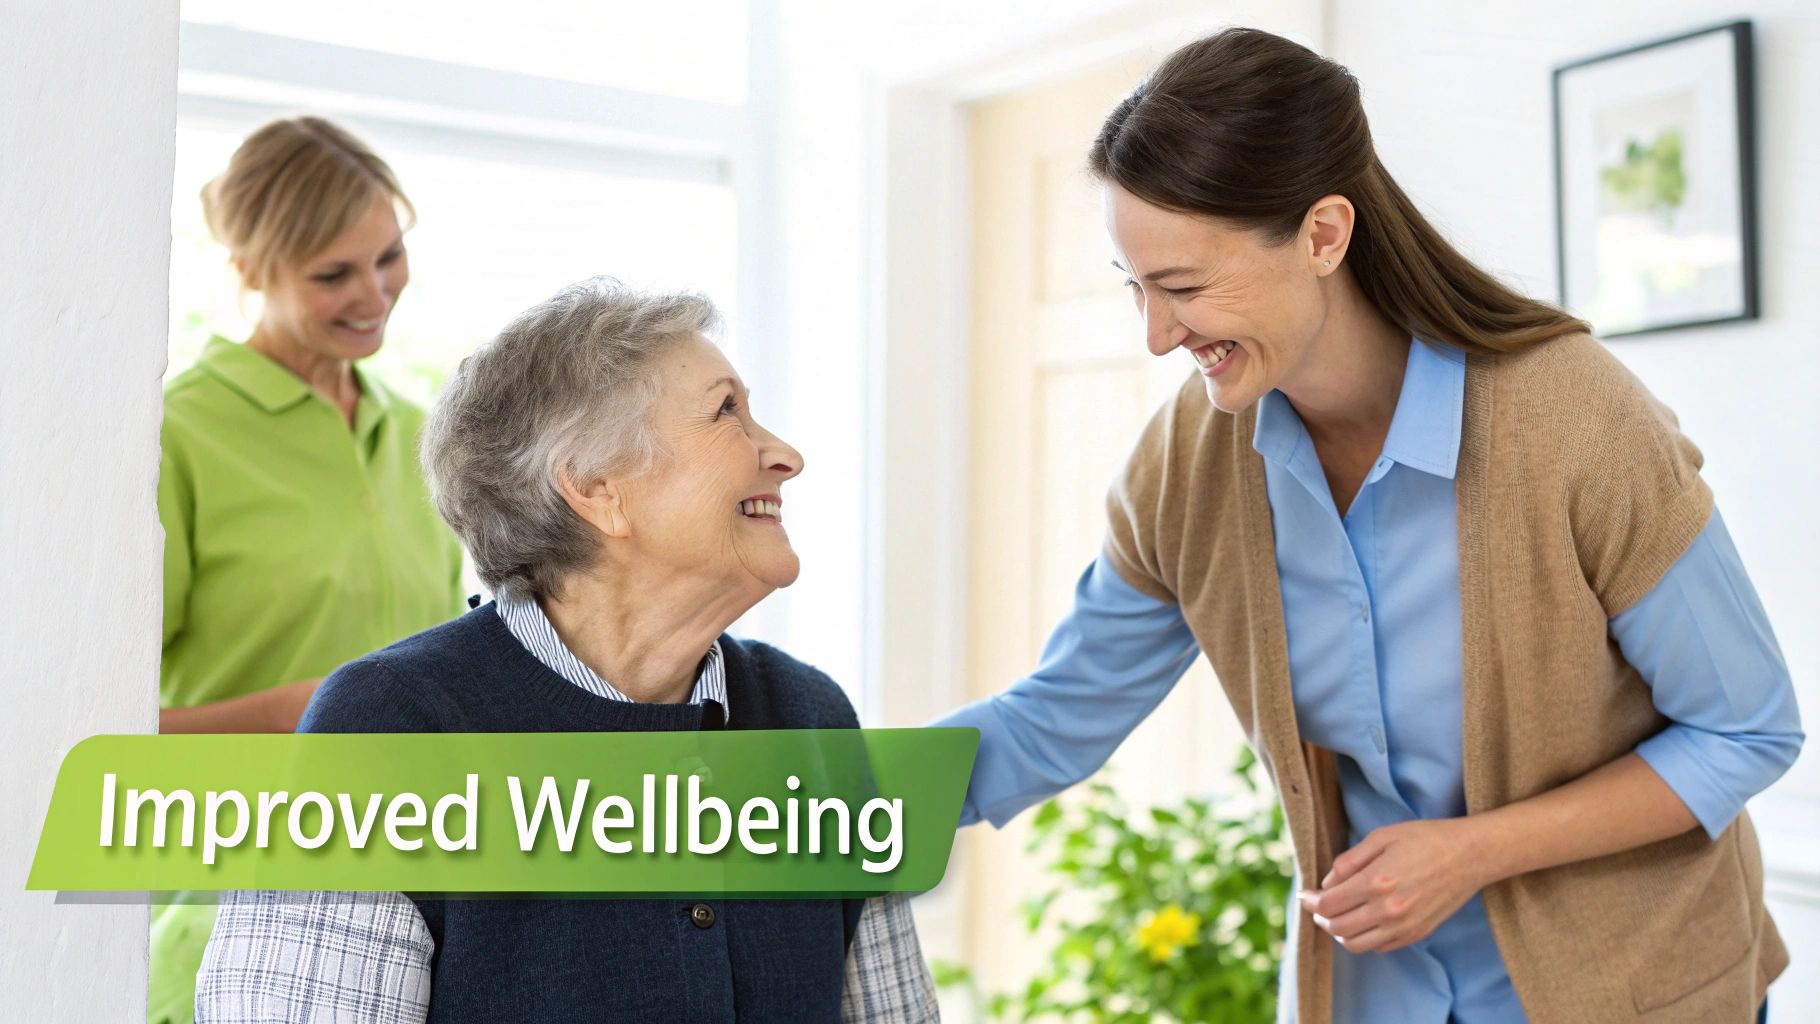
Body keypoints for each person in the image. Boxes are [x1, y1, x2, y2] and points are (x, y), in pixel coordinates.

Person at [936, 28, 1801, 1024]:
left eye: (1182, 286)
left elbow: (1745, 726)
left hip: (1636, 987)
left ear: (1321, 234)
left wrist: (1473, 850)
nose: (1156, 335)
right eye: (1135, 286)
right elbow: (1052, 716)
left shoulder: (1569, 421)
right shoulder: (1190, 463)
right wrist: (806, 805)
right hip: (1372, 993)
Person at [195, 278, 939, 1023]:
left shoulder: (809, 719)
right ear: (595, 488)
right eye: (726, 413)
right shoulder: (395, 726)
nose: (785, 455)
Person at [152, 117, 467, 1024]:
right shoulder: (182, 434)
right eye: (332, 274)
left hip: (420, 906)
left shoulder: (422, 434)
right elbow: (95, 729)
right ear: (250, 270)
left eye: (390, 258)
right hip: (226, 917)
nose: (374, 294)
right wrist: (297, 715)